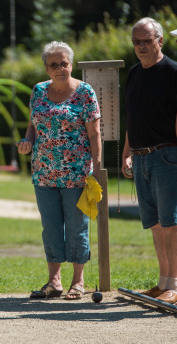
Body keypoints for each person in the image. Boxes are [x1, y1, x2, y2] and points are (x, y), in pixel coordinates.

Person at [17, 41, 101, 300]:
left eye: (64, 63)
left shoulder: (85, 92)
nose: (60, 68)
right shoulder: (38, 91)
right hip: (43, 172)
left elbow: (95, 133)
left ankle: (78, 281)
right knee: (51, 227)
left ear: (71, 64)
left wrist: (96, 168)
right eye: (53, 64)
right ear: (46, 67)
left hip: (76, 174)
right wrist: (27, 140)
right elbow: (33, 125)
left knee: (77, 227)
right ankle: (54, 281)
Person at [122, 17, 177, 303]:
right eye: (137, 42)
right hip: (141, 157)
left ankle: (176, 285)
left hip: (167, 155)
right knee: (155, 224)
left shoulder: (171, 71)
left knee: (171, 223)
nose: (141, 46)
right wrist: (127, 153)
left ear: (160, 41)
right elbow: (132, 116)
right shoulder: (133, 73)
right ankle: (163, 282)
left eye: (147, 40)